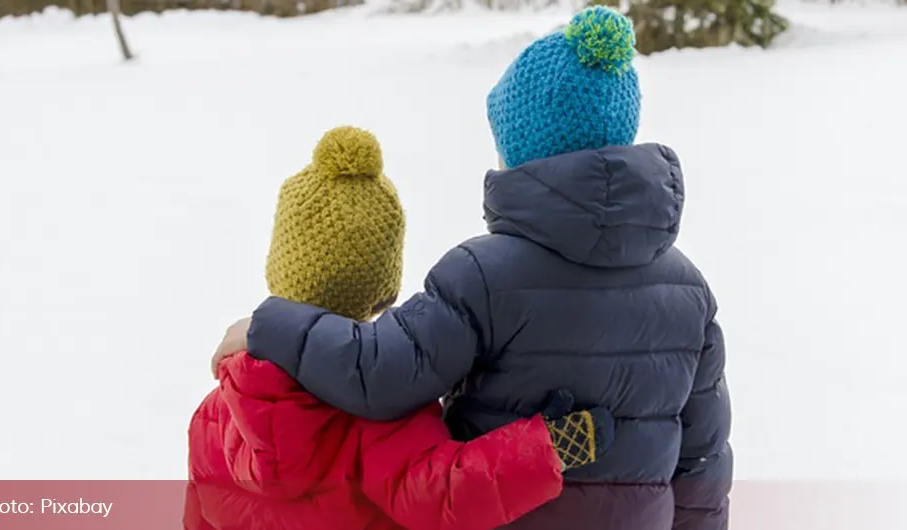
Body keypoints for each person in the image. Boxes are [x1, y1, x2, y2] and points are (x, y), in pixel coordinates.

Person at [213, 7, 732, 530]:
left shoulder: (483, 276)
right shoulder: (689, 290)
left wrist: (270, 324)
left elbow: (381, 371)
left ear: (524, 149)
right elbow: (704, 460)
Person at [185, 126, 615, 530]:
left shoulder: (216, 412)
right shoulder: (379, 403)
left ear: (279, 269)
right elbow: (445, 493)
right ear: (383, 293)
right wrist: (549, 448)